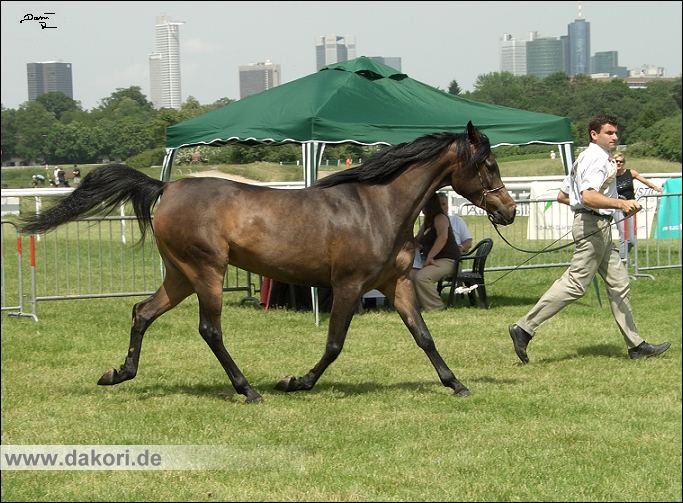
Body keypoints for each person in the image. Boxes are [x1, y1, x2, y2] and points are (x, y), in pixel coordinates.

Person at [508, 115, 670, 362]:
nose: (615, 136)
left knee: (619, 284)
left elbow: (564, 195)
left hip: (597, 225)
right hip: (593, 225)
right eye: (609, 132)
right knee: (575, 285)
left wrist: (591, 209)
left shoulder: (587, 158)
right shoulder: (595, 159)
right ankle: (524, 328)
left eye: (616, 132)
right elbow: (588, 197)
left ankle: (636, 345)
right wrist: (620, 203)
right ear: (594, 134)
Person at [410, 192, 460, 311]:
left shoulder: (440, 218)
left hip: (449, 261)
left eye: (422, 205)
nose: (420, 208)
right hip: (434, 261)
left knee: (422, 277)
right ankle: (416, 306)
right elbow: (417, 241)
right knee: (409, 275)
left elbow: (442, 238)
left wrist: (429, 257)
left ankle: (437, 308)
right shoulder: (427, 222)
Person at [613, 152, 662, 259]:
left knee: (631, 239)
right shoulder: (610, 176)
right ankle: (622, 261)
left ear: (624, 163)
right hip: (617, 207)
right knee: (623, 236)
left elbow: (645, 181)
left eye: (621, 161)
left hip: (631, 206)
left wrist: (655, 188)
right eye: (616, 161)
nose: (618, 163)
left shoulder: (630, 173)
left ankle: (620, 255)